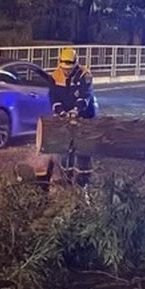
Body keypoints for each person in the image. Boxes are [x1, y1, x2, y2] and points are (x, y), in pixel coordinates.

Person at [48, 47, 97, 186]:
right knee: (65, 150)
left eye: (69, 69)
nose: (67, 71)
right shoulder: (55, 76)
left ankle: (83, 183)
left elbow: (85, 96)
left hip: (84, 118)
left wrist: (76, 110)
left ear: (76, 64)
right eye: (64, 69)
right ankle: (66, 180)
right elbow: (54, 97)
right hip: (65, 118)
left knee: (83, 150)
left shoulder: (84, 75)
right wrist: (60, 111)